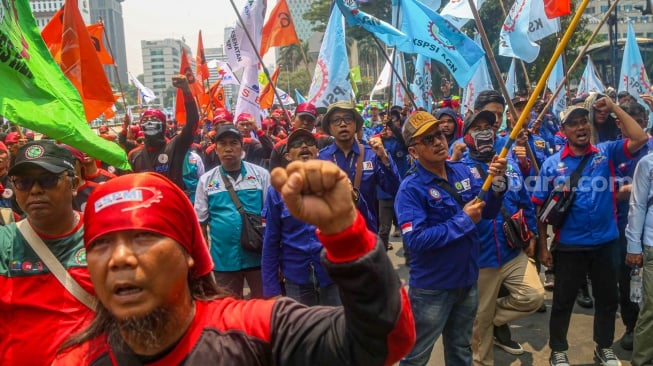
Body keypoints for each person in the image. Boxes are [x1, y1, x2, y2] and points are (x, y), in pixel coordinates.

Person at [53, 163, 416, 364]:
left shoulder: (257, 330)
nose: (119, 258)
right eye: (101, 244)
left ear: (189, 253)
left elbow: (385, 341)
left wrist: (345, 234)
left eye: (143, 238)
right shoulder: (75, 360)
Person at [533, 100, 648, 366]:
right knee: (563, 301)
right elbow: (539, 207)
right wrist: (542, 247)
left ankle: (604, 347)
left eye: (584, 121)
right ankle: (558, 351)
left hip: (607, 242)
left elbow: (640, 137)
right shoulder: (552, 165)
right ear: (563, 130)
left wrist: (614, 108)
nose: (580, 127)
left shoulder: (606, 152)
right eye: (573, 123)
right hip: (570, 245)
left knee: (607, 300)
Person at [396, 111, 508, 366]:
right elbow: (416, 240)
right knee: (417, 355)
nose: (438, 142)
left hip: (467, 280)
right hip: (432, 288)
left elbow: (488, 212)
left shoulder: (464, 171)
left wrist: (499, 183)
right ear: (413, 152)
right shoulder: (410, 189)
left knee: (461, 348)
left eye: (439, 135)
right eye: (427, 140)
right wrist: (463, 221)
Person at [461, 111, 544, 365]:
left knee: (534, 296)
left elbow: (524, 202)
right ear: (466, 137)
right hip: (481, 259)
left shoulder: (508, 162)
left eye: (489, 126)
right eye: (478, 127)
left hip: (511, 251)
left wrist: (531, 235)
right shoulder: (457, 169)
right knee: (480, 331)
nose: (485, 131)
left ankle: (487, 320)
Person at [0, 140, 94, 365]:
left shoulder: (101, 238)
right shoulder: (5, 243)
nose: (35, 190)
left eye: (49, 179)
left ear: (75, 184)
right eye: (23, 182)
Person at [262, 129, 341, 306]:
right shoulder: (276, 192)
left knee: (337, 329)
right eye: (297, 144)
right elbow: (270, 241)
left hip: (333, 275)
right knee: (303, 331)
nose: (304, 146)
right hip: (296, 277)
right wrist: (271, 289)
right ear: (288, 156)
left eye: (309, 143)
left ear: (317, 151)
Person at [194, 124, 270, 298]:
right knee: (229, 309)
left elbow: (271, 217)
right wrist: (204, 260)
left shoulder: (261, 175)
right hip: (223, 260)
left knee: (264, 307)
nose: (228, 148)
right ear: (216, 149)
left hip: (258, 258)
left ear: (241, 147)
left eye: (234, 143)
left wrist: (274, 256)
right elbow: (201, 223)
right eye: (223, 143)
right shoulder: (206, 181)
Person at [318, 100, 401, 233]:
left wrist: (385, 159)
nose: (343, 124)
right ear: (329, 127)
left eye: (348, 119)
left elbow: (394, 188)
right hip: (333, 237)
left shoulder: (372, 154)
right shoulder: (321, 158)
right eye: (336, 120)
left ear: (356, 124)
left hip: (367, 234)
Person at [127, 75, 199, 190]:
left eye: (154, 120)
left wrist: (186, 90)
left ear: (164, 126)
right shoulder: (134, 155)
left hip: (172, 204)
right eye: (146, 121)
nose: (149, 123)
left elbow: (193, 122)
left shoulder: (176, 146)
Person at [625, 151, 653, 366]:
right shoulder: (647, 163)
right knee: (651, 309)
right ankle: (642, 360)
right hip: (652, 244)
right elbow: (637, 204)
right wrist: (634, 247)